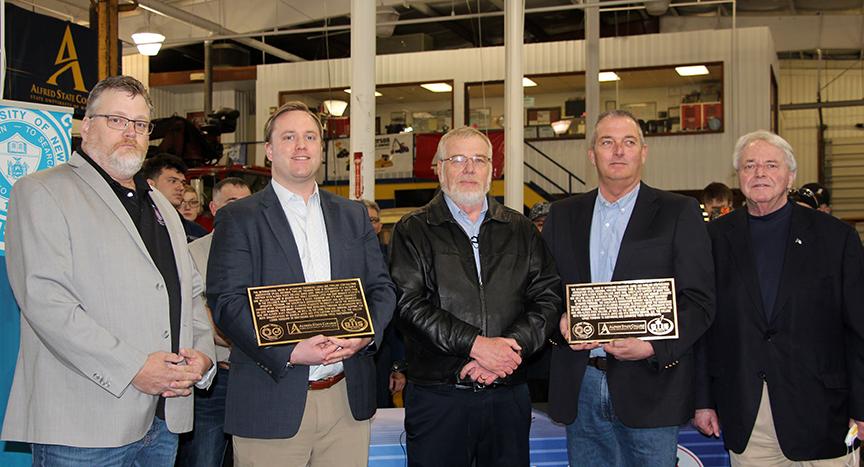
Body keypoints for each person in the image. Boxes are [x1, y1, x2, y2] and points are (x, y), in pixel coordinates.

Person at [1, 75, 215, 465]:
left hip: (163, 419)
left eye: (140, 124)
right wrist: (134, 368)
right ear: (86, 126)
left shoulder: (161, 205)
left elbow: (191, 293)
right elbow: (46, 301)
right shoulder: (42, 191)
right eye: (116, 120)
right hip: (83, 425)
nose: (130, 132)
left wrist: (202, 358)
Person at [206, 101, 395, 467]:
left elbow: (382, 289)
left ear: (321, 148)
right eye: (289, 137)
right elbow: (227, 303)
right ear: (269, 150)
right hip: (271, 398)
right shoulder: (238, 218)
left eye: (310, 137)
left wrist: (364, 335)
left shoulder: (353, 215)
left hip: (346, 401)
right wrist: (289, 352)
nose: (301, 146)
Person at [543, 110, 715, 467]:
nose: (618, 151)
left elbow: (699, 301)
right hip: (581, 384)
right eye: (607, 142)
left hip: (652, 386)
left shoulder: (679, 212)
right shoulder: (563, 214)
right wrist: (560, 321)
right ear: (592, 155)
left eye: (629, 142)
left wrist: (653, 345)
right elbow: (545, 290)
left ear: (643, 152)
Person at [389, 127, 562, 467]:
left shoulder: (521, 230)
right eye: (457, 159)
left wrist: (509, 350)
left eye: (479, 160)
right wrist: (477, 346)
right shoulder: (413, 230)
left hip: (508, 394)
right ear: (439, 169)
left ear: (492, 170)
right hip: (439, 397)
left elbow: (547, 297)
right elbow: (408, 305)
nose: (469, 168)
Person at [694, 130, 864, 465]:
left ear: (791, 176)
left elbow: (858, 329)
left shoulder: (837, 238)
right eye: (749, 165)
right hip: (749, 414)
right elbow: (703, 326)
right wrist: (703, 400)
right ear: (738, 176)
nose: (759, 173)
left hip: (826, 415)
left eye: (771, 165)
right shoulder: (712, 240)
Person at [177, 177, 252, 467]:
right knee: (205, 458)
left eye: (248, 203)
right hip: (217, 379)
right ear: (214, 208)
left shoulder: (266, 251)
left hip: (259, 377)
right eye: (233, 203)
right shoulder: (192, 253)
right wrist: (253, 342)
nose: (242, 210)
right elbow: (199, 314)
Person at [358, 199, 407, 408]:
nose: (370, 225)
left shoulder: (394, 260)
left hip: (383, 353)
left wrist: (398, 366)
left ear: (379, 225)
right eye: (364, 220)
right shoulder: (336, 261)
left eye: (374, 220)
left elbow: (399, 318)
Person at [141, 153, 208, 241]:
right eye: (173, 181)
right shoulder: (136, 222)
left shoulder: (196, 233)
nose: (181, 187)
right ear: (150, 184)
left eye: (182, 183)